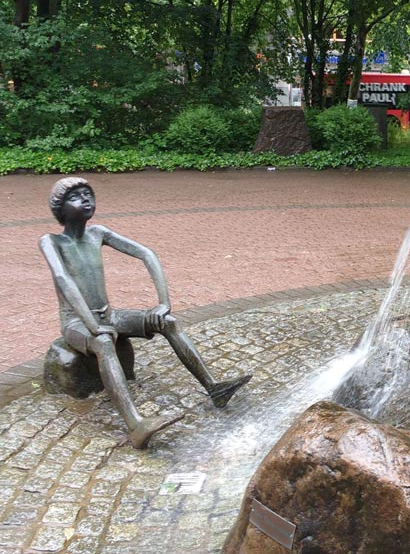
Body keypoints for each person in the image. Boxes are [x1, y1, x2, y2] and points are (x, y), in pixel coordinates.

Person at [39, 177, 252, 448]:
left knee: (168, 322)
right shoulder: (51, 241)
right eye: (75, 196)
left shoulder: (98, 233)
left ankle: (214, 387)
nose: (85, 199)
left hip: (108, 315)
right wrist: (93, 325)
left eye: (88, 193)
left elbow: (147, 254)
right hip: (76, 322)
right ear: (59, 208)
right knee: (105, 342)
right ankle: (135, 425)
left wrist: (163, 302)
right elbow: (63, 280)